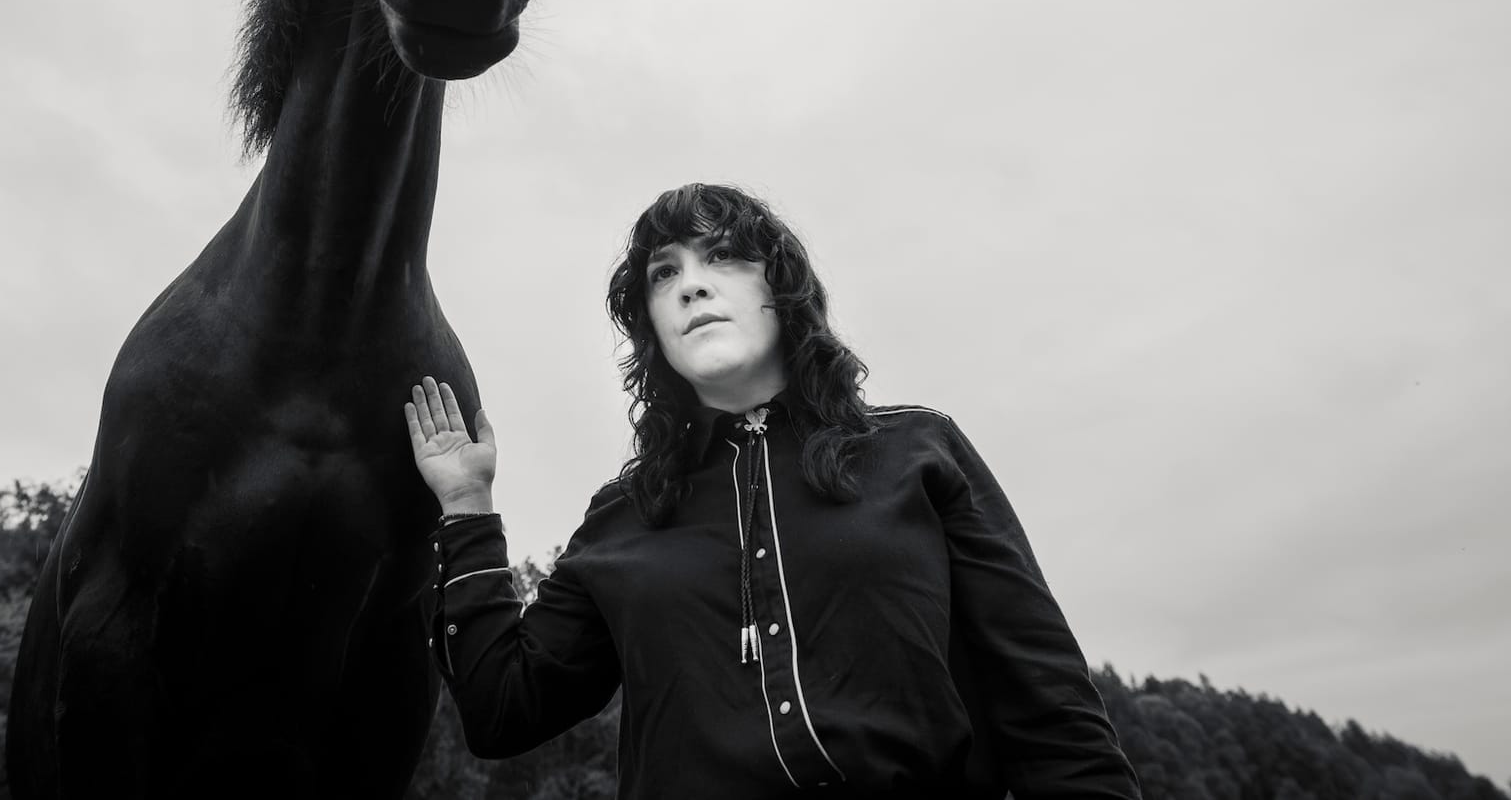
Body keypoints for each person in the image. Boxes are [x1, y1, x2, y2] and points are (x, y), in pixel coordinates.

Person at [403, 183, 1139, 799]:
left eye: (723, 255)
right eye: (664, 273)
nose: (691, 282)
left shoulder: (920, 450)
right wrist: (468, 508)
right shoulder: (625, 516)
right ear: (651, 326)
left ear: (780, 291)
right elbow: (503, 710)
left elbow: (1051, 712)